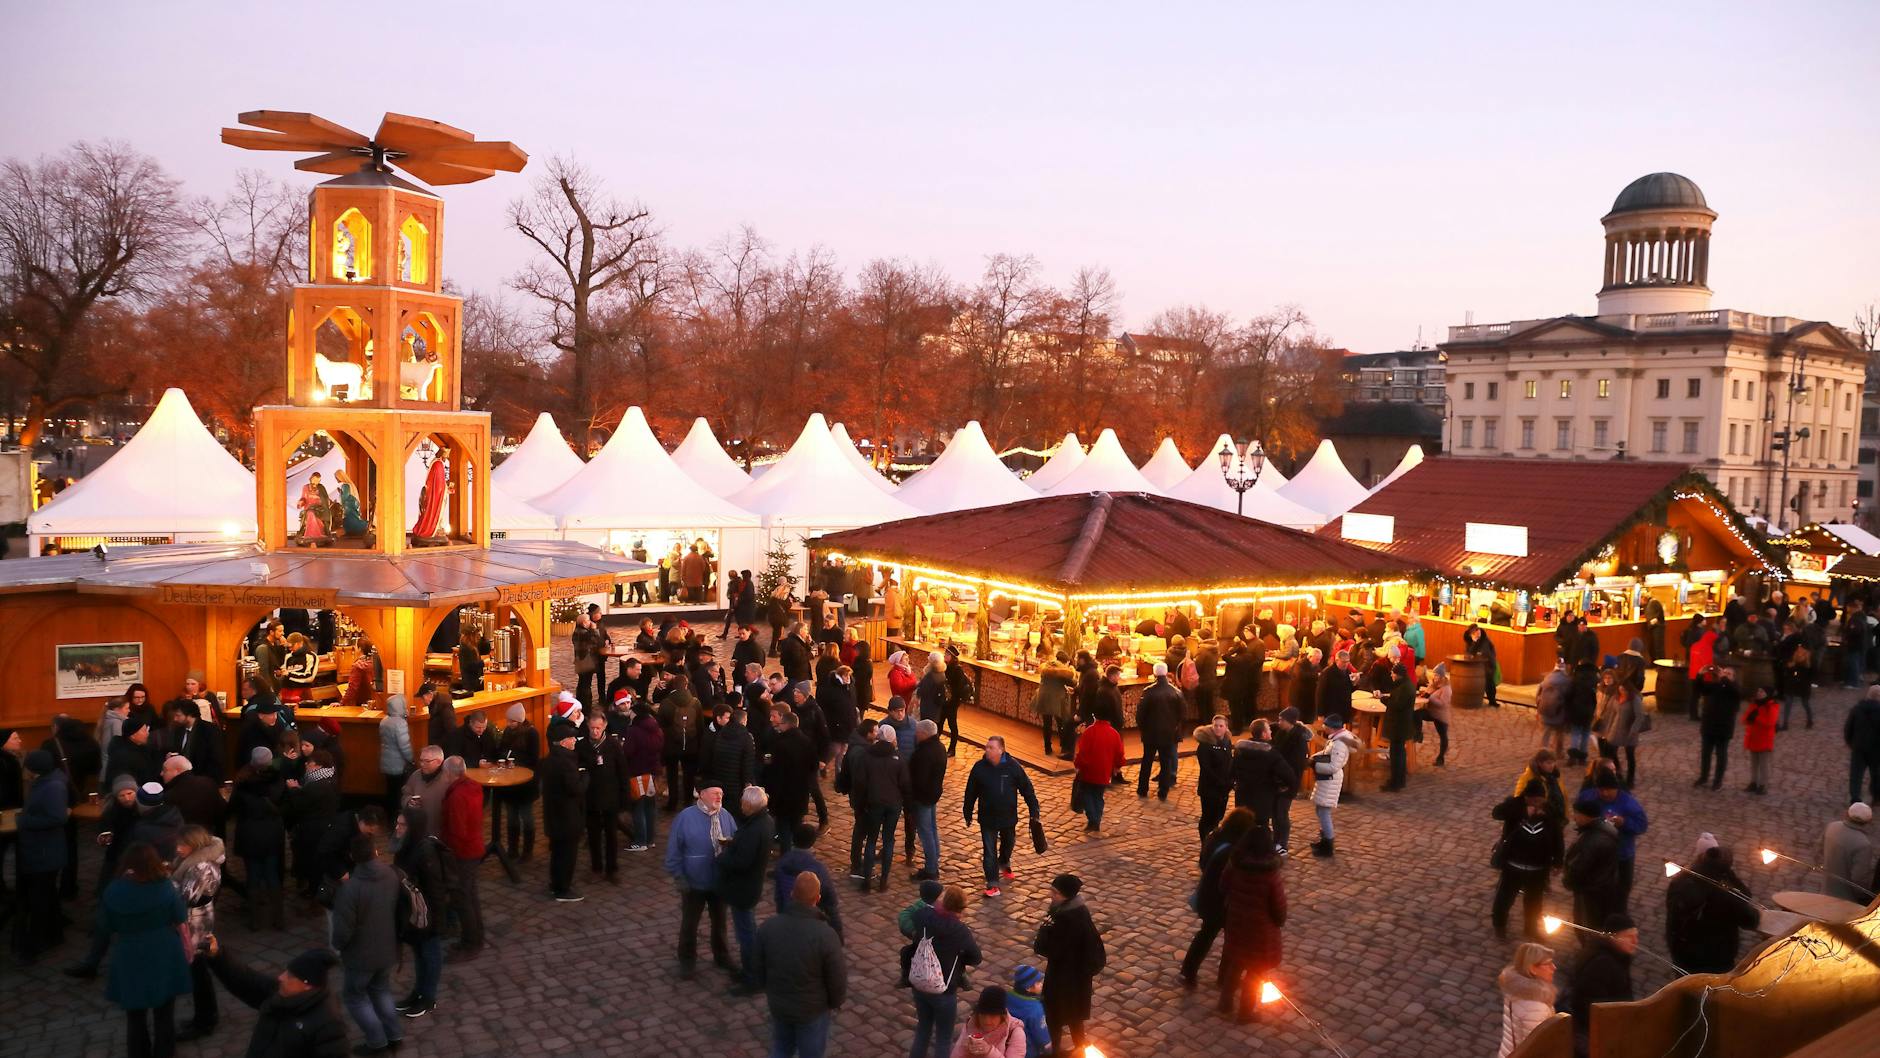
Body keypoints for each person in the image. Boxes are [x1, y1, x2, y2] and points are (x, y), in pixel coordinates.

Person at [100, 843, 193, 1058]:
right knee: (164, 1014)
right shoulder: (165, 888)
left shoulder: (113, 890)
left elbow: (106, 926)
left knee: (135, 1014)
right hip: (163, 951)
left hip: (130, 952)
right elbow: (180, 917)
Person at [751, 870, 847, 1058]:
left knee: (781, 1047)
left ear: (792, 894)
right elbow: (837, 978)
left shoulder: (769, 927)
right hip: (812, 1010)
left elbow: (757, 966)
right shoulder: (825, 935)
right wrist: (835, 1002)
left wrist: (767, 988)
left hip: (779, 1004)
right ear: (817, 898)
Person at [331, 832, 402, 1053]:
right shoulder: (391, 875)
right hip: (387, 948)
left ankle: (377, 1041)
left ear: (353, 857)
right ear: (375, 852)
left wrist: (339, 948)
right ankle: (394, 1034)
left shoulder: (350, 889)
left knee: (355, 997)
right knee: (381, 990)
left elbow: (343, 930)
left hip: (361, 956)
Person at [1217, 824, 1286, 1023]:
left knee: (1236, 963)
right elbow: (1279, 906)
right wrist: (1279, 921)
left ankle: (1225, 1003)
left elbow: (1223, 887)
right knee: (1255, 972)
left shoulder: (1235, 863)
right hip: (1260, 929)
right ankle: (1245, 1013)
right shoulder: (1270, 873)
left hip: (1237, 923)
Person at [667, 783, 738, 979]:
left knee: (720, 922)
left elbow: (735, 844)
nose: (719, 797)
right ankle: (687, 961)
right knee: (690, 924)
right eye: (715, 793)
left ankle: (722, 956)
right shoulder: (686, 817)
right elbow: (674, 850)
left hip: (718, 882)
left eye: (721, 793)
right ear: (702, 794)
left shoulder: (726, 816)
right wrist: (679, 875)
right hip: (693, 882)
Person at [1181, 806, 1256, 988]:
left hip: (1208, 894)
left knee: (1205, 935)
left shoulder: (1214, 837)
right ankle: (1224, 978)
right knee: (1230, 940)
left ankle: (1189, 971)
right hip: (1222, 900)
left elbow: (1203, 862)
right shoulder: (1233, 851)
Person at [1664, 836, 1758, 974]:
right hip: (1716, 960)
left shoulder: (1681, 879)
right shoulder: (1726, 893)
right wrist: (1729, 875)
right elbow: (1750, 918)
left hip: (1683, 955)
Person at [909, 884, 983, 1058]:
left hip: (920, 982)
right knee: (943, 1038)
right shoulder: (960, 931)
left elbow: (914, 913)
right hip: (944, 990)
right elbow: (976, 958)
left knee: (922, 1030)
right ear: (961, 908)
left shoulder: (923, 917)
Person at [1033, 873, 1104, 1052]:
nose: (1051, 895)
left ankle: (1055, 1051)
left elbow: (1046, 948)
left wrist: (1044, 930)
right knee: (1074, 1016)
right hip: (1076, 978)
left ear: (1066, 895)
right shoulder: (1075, 910)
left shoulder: (1066, 918)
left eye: (1055, 893)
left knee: (1054, 1017)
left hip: (1063, 978)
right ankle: (1080, 1047)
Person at [962, 737, 1040, 899]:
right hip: (987, 818)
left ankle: (1004, 861)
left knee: (1008, 842)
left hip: (1008, 817)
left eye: (991, 748)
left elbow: (1027, 789)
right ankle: (992, 883)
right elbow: (971, 792)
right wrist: (967, 812)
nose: (987, 750)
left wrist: (1034, 811)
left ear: (1001, 750)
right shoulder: (979, 768)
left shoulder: (1013, 767)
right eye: (986, 747)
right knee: (989, 851)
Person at [391, 805, 447, 1019]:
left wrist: (436, 922)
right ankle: (418, 992)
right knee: (419, 955)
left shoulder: (425, 851)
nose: (397, 827)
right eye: (397, 823)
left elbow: (436, 889)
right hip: (413, 912)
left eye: (402, 824)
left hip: (427, 914)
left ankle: (428, 997)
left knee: (429, 955)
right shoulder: (405, 845)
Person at [1491, 780, 1565, 941]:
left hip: (1538, 866)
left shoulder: (1548, 811)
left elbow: (1558, 836)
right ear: (1527, 798)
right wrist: (1523, 812)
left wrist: (1558, 860)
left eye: (1541, 800)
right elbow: (1497, 813)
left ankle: (1531, 929)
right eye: (1535, 800)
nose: (1538, 803)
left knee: (1534, 901)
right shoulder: (1515, 805)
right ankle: (1500, 925)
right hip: (1513, 864)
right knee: (1505, 897)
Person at [719, 786, 776, 994]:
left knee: (746, 935)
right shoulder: (765, 821)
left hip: (743, 888)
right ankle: (751, 972)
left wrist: (722, 857)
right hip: (751, 885)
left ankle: (752, 977)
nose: (740, 806)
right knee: (748, 931)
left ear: (751, 806)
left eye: (743, 803)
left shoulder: (754, 829)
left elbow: (741, 862)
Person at [14, 749, 70, 962]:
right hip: (44, 850)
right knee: (47, 894)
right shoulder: (48, 782)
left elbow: (57, 818)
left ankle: (35, 943)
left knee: (39, 898)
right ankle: (55, 934)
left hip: (44, 852)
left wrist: (24, 821)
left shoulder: (52, 786)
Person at [1566, 914, 1638, 1056]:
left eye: (1636, 935)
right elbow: (1586, 1004)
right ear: (1614, 937)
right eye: (1629, 936)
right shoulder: (1601, 965)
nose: (1635, 941)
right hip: (1597, 1032)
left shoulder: (1617, 955)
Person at [1576, 771, 1648, 905]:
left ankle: (1619, 914)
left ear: (1616, 788)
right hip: (1596, 854)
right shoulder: (1589, 797)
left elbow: (1642, 825)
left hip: (1622, 854)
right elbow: (1578, 811)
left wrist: (1624, 823)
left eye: (1608, 790)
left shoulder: (1629, 804)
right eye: (1601, 790)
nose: (1605, 793)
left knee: (1622, 889)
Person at [438, 755, 485, 960]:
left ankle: (470, 943)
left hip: (462, 853)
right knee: (471, 896)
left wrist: (449, 854)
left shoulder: (457, 795)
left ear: (448, 773)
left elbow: (457, 830)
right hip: (474, 847)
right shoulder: (473, 787)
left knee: (463, 899)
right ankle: (477, 937)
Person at [576, 712, 627, 880]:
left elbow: (622, 772)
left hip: (610, 797)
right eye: (592, 728)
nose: (595, 731)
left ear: (604, 726)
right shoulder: (582, 746)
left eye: (598, 728)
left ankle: (612, 869)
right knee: (593, 835)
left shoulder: (613, 745)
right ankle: (596, 867)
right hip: (591, 797)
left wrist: (623, 797)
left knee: (611, 835)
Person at [1563, 799, 1624, 930]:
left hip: (1590, 892)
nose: (1574, 817)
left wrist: (1568, 881)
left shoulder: (1591, 841)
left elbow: (1578, 868)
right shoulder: (1607, 830)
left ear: (1585, 815)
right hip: (1604, 887)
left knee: (1586, 927)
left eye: (1576, 813)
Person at [1308, 715, 1361, 858]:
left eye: (1324, 725)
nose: (1323, 727)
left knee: (1324, 812)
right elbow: (1327, 753)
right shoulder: (1337, 738)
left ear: (1330, 727)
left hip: (1330, 780)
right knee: (1320, 810)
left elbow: (1333, 766)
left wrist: (1314, 764)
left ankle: (1328, 845)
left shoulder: (1339, 743)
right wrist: (1314, 757)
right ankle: (1323, 840)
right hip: (1326, 780)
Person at [1497, 943, 1557, 1058]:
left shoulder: (1514, 990)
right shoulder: (1536, 1007)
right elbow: (1536, 1049)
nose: (1554, 967)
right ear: (1533, 969)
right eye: (1548, 963)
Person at [496, 703, 539, 860]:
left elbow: (534, 758)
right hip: (510, 783)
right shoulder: (508, 731)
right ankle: (512, 849)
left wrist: (516, 761)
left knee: (526, 817)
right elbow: (501, 749)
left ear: (519, 721)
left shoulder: (531, 733)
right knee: (511, 817)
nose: (509, 724)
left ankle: (527, 851)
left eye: (512, 721)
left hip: (525, 783)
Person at [1072, 707, 1125, 835]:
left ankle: (1093, 819)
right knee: (1098, 796)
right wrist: (1117, 767)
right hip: (1104, 773)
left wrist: (1078, 765)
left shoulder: (1089, 732)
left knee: (1087, 794)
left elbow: (1082, 752)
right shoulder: (1114, 734)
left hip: (1089, 771)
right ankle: (1097, 818)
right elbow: (1119, 753)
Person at [1136, 662, 1184, 800]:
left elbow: (1140, 714)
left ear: (1155, 674)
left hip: (1151, 733)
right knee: (1166, 762)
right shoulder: (1176, 692)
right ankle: (1163, 790)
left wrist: (1143, 729)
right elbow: (1182, 714)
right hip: (1168, 734)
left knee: (1147, 761)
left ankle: (1142, 789)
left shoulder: (1149, 691)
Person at [909, 718, 948, 882]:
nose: (915, 735)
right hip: (933, 795)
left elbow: (919, 780)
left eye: (917, 733)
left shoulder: (924, 753)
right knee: (932, 829)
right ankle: (934, 860)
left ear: (924, 734)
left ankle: (931, 869)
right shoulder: (939, 747)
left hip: (923, 798)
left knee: (926, 833)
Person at [1594, 668, 1645, 788]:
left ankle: (1630, 779)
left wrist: (1633, 731)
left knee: (1630, 756)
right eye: (1620, 688)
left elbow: (1639, 717)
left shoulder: (1635, 700)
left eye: (1624, 689)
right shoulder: (1616, 697)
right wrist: (1607, 729)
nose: (1621, 690)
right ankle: (1616, 775)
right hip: (1616, 729)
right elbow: (1611, 713)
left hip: (1629, 732)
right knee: (1611, 753)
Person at [1692, 665, 1741, 791]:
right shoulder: (1716, 686)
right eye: (1724, 672)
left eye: (1729, 674)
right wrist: (1700, 675)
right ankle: (1703, 777)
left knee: (1721, 755)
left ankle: (1717, 781)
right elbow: (1700, 689)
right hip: (1709, 726)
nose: (1725, 675)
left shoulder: (1735, 689)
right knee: (1705, 754)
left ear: (1734, 678)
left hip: (1724, 728)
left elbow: (1735, 691)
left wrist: (1724, 678)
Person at [949, 986, 1026, 1058]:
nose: (987, 1021)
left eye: (993, 1016)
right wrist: (964, 1049)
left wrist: (990, 1052)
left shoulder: (1015, 1033)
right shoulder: (972, 1023)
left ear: (1002, 1016)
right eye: (983, 1014)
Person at [1194, 715, 1235, 845]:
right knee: (1208, 817)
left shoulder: (1227, 742)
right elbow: (1206, 768)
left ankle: (1213, 841)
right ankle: (1206, 842)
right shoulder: (1205, 745)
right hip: (1209, 788)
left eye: (1221, 726)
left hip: (1224, 787)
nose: (1218, 728)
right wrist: (1221, 782)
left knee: (1219, 815)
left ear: (1226, 728)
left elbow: (1229, 762)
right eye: (1215, 726)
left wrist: (1231, 780)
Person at [1822, 802, 1875, 903]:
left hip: (1826, 890)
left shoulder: (1832, 827)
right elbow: (1859, 879)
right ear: (1868, 821)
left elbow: (1820, 851)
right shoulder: (1863, 844)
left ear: (1847, 813)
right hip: (1846, 900)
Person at [375, 695, 415, 820]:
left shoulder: (384, 720)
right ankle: (398, 818)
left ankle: (389, 817)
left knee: (390, 791)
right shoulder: (400, 723)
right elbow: (404, 746)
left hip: (386, 762)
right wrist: (411, 759)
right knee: (399, 793)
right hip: (398, 764)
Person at [1035, 652, 1078, 760]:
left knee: (1047, 723)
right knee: (1061, 723)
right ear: (1066, 662)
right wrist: (1072, 670)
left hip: (1043, 697)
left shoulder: (1047, 666)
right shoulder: (1063, 671)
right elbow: (1073, 683)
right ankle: (1063, 747)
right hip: (1057, 700)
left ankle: (1047, 748)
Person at [1381, 664, 1417, 791]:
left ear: (1398, 674)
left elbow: (1396, 705)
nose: (1391, 675)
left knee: (1396, 755)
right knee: (1399, 753)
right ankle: (1399, 780)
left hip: (1398, 726)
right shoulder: (1406, 685)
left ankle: (1395, 782)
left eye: (1392, 673)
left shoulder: (1404, 688)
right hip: (1402, 725)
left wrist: (1384, 700)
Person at [1741, 687, 1779, 795]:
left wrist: (1756, 718)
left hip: (1764, 740)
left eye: (1762, 691)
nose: (1759, 693)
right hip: (1753, 738)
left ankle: (1763, 785)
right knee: (1754, 764)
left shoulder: (1772, 706)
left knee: (1763, 765)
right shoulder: (1754, 704)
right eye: (1758, 691)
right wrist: (1749, 718)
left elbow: (1770, 722)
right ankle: (1753, 782)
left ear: (1767, 694)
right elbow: (1744, 719)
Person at [1849, 686, 1880, 806]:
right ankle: (1876, 796)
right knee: (1876, 773)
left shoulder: (1857, 709)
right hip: (1876, 749)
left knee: (1856, 774)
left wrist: (1852, 743)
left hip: (1859, 747)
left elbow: (1849, 729)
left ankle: (1855, 797)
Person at [1420, 665, 1453, 767]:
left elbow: (1443, 704)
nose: (1435, 677)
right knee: (1416, 713)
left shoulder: (1446, 689)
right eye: (1434, 675)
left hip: (1441, 716)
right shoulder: (1434, 685)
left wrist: (1430, 698)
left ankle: (1441, 758)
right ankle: (1417, 733)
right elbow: (1428, 693)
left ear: (1442, 677)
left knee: (1443, 736)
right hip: (1432, 712)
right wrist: (1424, 693)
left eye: (1437, 675)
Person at [1464, 623, 1500, 707]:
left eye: (1478, 630)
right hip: (1476, 667)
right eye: (1475, 631)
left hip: (1487, 665)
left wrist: (1491, 661)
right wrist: (1475, 642)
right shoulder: (1470, 641)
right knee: (1478, 684)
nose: (1477, 632)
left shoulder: (1485, 640)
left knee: (1490, 683)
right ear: (1471, 634)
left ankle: (1492, 700)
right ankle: (1475, 700)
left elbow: (1488, 652)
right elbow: (1469, 654)